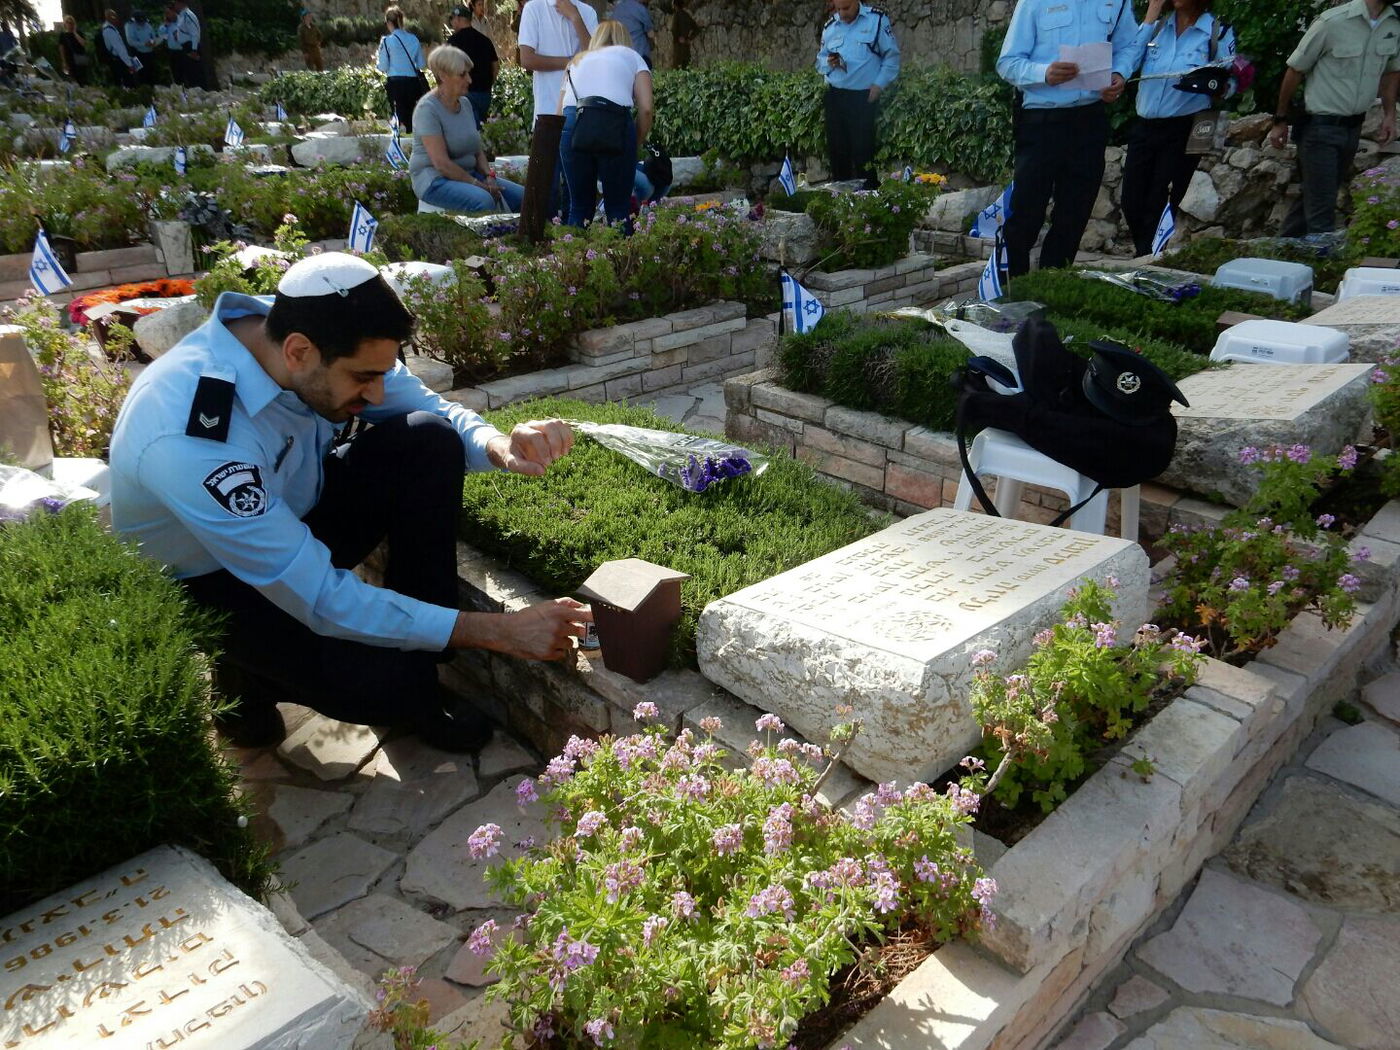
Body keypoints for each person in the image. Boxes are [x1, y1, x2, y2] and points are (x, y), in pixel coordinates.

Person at [108, 252, 590, 753]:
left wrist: (501, 447)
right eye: (363, 378)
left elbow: (427, 405)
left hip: (294, 519)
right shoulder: (190, 433)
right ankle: (242, 676)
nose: (378, 396)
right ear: (298, 352)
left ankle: (421, 680)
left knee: (430, 438)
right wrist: (497, 632)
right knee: (381, 688)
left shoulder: (310, 325)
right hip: (215, 579)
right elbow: (319, 596)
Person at [996, 0, 1139, 276]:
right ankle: (1010, 292)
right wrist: (1044, 73)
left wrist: (1119, 73)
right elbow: (1008, 62)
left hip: (1089, 119)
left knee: (1074, 214)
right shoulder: (1034, 2)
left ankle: (1052, 288)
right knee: (1026, 211)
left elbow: (1129, 45)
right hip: (1042, 121)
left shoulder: (1117, 1)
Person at [1269, 0, 1399, 237]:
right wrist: (1280, 120)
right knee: (1322, 211)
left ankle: (1283, 252)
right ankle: (1322, 267)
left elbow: (1391, 72)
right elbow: (1295, 70)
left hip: (1353, 127)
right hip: (1320, 127)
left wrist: (1389, 114)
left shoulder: (1392, 24)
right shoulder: (1332, 22)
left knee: (1314, 197)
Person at [1118, 0, 1236, 257]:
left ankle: (1146, 257)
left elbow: (1231, 78)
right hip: (1146, 123)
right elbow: (1130, 59)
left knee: (1162, 198)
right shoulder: (1158, 27)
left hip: (1183, 126)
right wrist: (1150, 15)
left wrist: (1218, 87)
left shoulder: (1217, 31)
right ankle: (1146, 252)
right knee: (1131, 198)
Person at [558, 20, 654, 227]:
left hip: (573, 123)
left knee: (578, 207)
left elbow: (559, 112)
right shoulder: (634, 57)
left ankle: (571, 257)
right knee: (618, 209)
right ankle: (620, 257)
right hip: (614, 123)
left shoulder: (575, 61)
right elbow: (646, 109)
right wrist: (634, 143)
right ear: (625, 39)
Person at [412, 45, 526, 212]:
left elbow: (476, 149)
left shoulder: (465, 103)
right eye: (462, 74)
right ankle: (487, 239)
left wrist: (489, 176)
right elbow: (441, 164)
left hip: (469, 175)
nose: (469, 80)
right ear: (443, 76)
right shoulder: (427, 110)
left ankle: (516, 237)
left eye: (468, 73)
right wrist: (478, 185)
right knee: (484, 201)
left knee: (524, 197)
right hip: (435, 180)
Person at [816, 0, 900, 189]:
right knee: (838, 154)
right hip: (835, 96)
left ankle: (869, 202)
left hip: (863, 97)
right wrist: (829, 62)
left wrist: (878, 86)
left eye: (846, 8)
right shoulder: (831, 27)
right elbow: (820, 61)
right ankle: (842, 203)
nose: (842, 14)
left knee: (863, 154)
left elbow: (891, 57)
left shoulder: (876, 20)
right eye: (838, 9)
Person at [518, 0, 598, 126]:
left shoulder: (587, 11)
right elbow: (527, 59)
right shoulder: (534, 8)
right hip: (547, 113)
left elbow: (594, 61)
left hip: (583, 112)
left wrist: (575, 18)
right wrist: (571, 62)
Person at [446, 3, 499, 128]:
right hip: (484, 94)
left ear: (458, 19)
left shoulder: (453, 42)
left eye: (452, 20)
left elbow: (445, 69)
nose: (452, 24)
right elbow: (496, 67)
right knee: (481, 130)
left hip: (464, 95)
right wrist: (489, 83)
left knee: (470, 134)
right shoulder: (485, 41)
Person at [378, 5, 427, 133]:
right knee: (412, 118)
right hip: (412, 84)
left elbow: (383, 67)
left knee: (399, 121)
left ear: (389, 23)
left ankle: (401, 148)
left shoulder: (387, 42)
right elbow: (421, 64)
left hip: (396, 84)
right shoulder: (413, 39)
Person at [99, 9, 141, 89]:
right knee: (127, 83)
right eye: (115, 17)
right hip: (118, 60)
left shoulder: (111, 29)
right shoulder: (109, 31)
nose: (117, 19)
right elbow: (119, 49)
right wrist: (129, 64)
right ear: (110, 18)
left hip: (119, 59)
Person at [168, 0, 203, 89]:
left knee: (194, 73)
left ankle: (198, 91)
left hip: (191, 46)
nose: (175, 6)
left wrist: (194, 50)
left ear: (181, 4)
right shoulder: (181, 16)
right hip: (184, 46)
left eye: (176, 3)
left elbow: (194, 34)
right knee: (188, 73)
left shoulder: (188, 15)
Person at [609, 0, 654, 66]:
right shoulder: (640, 9)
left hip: (620, 57)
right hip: (639, 56)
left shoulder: (617, 9)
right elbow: (651, 34)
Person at [125, 9, 160, 86]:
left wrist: (153, 42)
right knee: (140, 74)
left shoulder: (147, 24)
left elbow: (153, 35)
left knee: (150, 73)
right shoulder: (129, 26)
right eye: (140, 21)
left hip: (149, 52)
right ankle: (143, 91)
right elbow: (130, 41)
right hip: (136, 53)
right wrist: (144, 44)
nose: (142, 23)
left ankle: (151, 90)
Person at [58, 15, 90, 85]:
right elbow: (61, 49)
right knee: (73, 79)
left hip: (81, 58)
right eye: (68, 22)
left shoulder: (79, 33)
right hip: (70, 59)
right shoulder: (63, 35)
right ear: (65, 24)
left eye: (71, 23)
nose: (70, 24)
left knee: (83, 78)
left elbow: (83, 43)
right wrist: (64, 61)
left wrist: (75, 33)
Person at [671, 0, 699, 70]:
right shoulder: (687, 15)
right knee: (686, 68)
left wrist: (678, 38)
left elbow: (674, 30)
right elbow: (697, 29)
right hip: (686, 46)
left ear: (675, 5)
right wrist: (689, 39)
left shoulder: (676, 15)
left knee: (677, 70)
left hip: (678, 47)